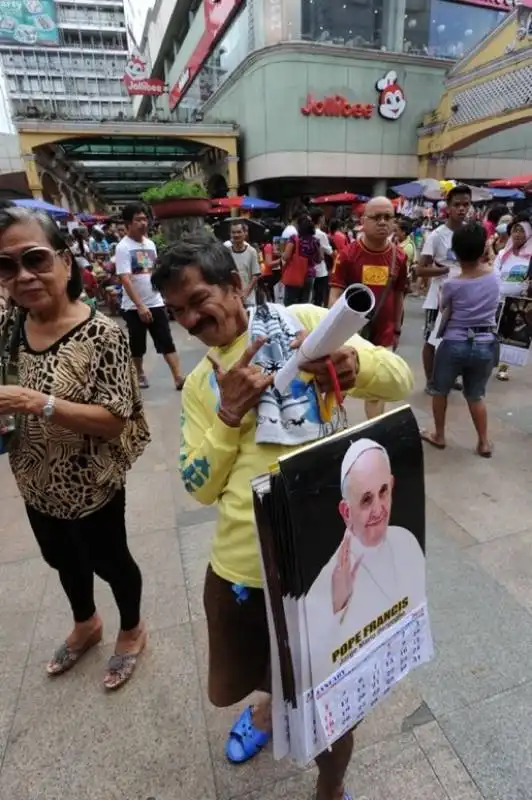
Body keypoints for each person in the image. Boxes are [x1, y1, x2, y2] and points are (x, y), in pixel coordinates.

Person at [150, 232, 413, 800]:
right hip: (247, 567)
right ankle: (269, 711)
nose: (191, 320)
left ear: (237, 283)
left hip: (329, 551)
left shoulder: (305, 322)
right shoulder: (202, 384)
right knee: (267, 670)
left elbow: (401, 377)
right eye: (177, 314)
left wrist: (353, 363)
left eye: (199, 301)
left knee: (333, 696)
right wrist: (227, 415)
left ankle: (332, 784)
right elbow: (199, 487)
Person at [0, 207, 150, 688]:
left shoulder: (103, 333)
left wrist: (36, 402)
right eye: (6, 266)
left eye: (35, 259)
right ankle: (86, 623)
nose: (23, 276)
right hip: (34, 477)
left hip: (91, 484)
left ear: (65, 261)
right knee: (60, 559)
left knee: (111, 562)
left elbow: (114, 419)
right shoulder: (10, 327)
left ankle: (132, 629)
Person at [305, 439, 425, 687]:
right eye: (366, 500)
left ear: (392, 486)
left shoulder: (407, 541)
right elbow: (312, 665)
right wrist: (338, 607)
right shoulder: (331, 579)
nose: (379, 509)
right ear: (346, 512)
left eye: (383, 492)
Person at [421, 222, 499, 458]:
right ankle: (484, 442)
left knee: (439, 390)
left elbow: (444, 306)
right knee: (476, 394)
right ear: (481, 249)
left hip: (454, 342)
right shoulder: (494, 277)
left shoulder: (452, 284)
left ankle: (439, 435)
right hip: (485, 342)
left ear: (455, 252)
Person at [329, 197, 408, 421]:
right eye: (376, 217)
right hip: (351, 333)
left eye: (388, 217)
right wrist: (334, 333)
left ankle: (374, 430)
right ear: (363, 221)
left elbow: (399, 294)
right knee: (341, 383)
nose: (383, 222)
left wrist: (397, 328)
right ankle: (332, 426)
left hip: (384, 332)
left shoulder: (400, 257)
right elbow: (334, 296)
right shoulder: (347, 255)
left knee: (377, 387)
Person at [115, 202, 185, 390]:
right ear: (128, 224)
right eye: (138, 220)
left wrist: (164, 296)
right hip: (133, 307)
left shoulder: (150, 244)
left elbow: (154, 273)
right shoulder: (123, 247)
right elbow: (125, 279)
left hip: (155, 302)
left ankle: (178, 377)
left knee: (166, 340)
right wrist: (140, 306)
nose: (143, 223)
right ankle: (139, 373)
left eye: (145, 219)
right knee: (137, 344)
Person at [417, 184, 472, 393]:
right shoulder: (437, 235)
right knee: (431, 340)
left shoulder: (470, 233)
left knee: (456, 340)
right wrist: (443, 272)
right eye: (457, 204)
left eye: (465, 204)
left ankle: (449, 377)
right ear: (447, 207)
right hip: (437, 299)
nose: (461, 209)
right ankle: (431, 381)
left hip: (464, 297)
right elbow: (420, 270)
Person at [492, 213, 532, 381]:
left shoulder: (530, 258)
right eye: (515, 230)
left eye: (522, 231)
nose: (517, 234)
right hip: (498, 300)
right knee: (492, 334)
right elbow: (495, 274)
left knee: (509, 337)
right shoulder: (502, 255)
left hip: (518, 305)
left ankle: (503, 367)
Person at [281, 213, 322, 307]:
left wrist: (283, 254)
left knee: (290, 304)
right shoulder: (315, 241)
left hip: (295, 274)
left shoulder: (294, 239)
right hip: (309, 276)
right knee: (304, 305)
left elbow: (286, 257)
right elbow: (319, 259)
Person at [224, 221, 261, 306]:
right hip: (232, 298)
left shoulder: (252, 251)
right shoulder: (227, 252)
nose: (236, 235)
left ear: (245, 233)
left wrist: (245, 293)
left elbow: (255, 275)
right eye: (233, 232)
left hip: (248, 300)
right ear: (230, 234)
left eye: (239, 232)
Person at [311, 207, 333, 307]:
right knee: (319, 298)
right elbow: (329, 251)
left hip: (309, 269)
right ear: (320, 219)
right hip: (320, 270)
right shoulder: (321, 234)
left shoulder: (306, 232)